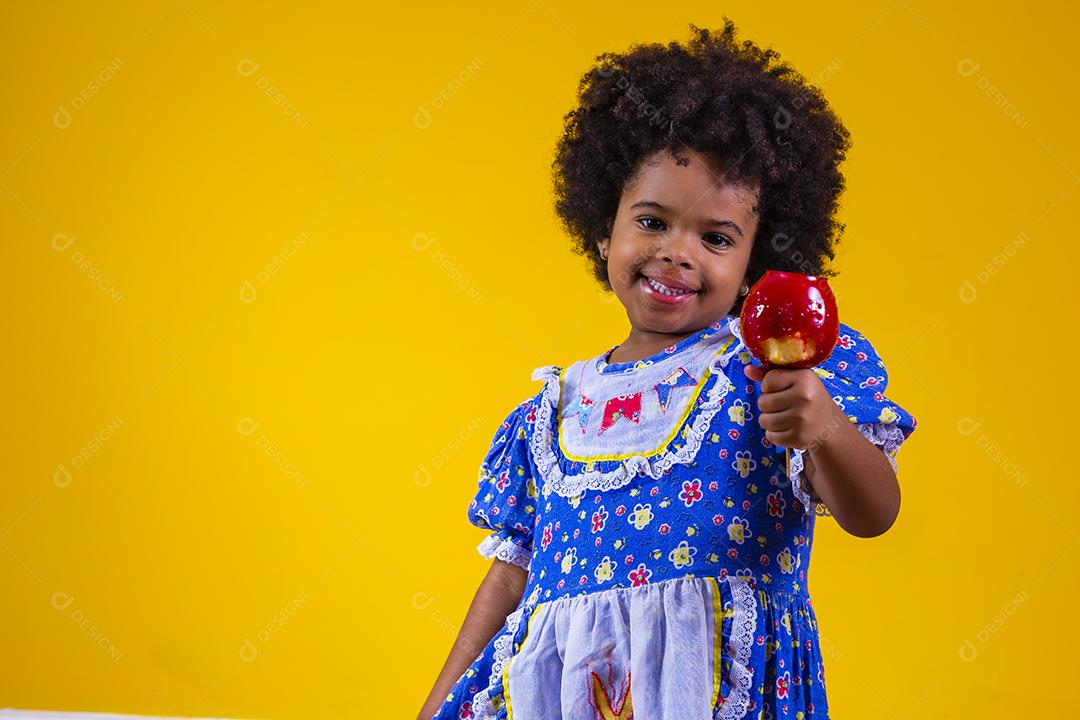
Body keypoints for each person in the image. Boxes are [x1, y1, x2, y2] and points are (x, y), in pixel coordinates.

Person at [419, 18, 917, 720]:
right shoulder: (551, 412)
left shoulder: (769, 374)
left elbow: (874, 514)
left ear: (756, 264)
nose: (678, 252)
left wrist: (825, 426)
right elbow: (510, 578)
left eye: (716, 237)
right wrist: (435, 704)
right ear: (603, 229)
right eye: (652, 222)